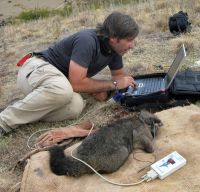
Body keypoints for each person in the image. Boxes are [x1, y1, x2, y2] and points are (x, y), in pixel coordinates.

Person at [0, 11, 139, 138]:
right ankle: (4, 121)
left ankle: (25, 106)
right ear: (114, 38)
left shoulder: (115, 50)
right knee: (63, 90)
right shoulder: (88, 40)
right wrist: (112, 84)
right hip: (36, 68)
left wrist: (128, 89)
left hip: (59, 81)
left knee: (75, 107)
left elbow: (119, 77)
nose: (133, 45)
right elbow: (77, 83)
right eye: (129, 40)